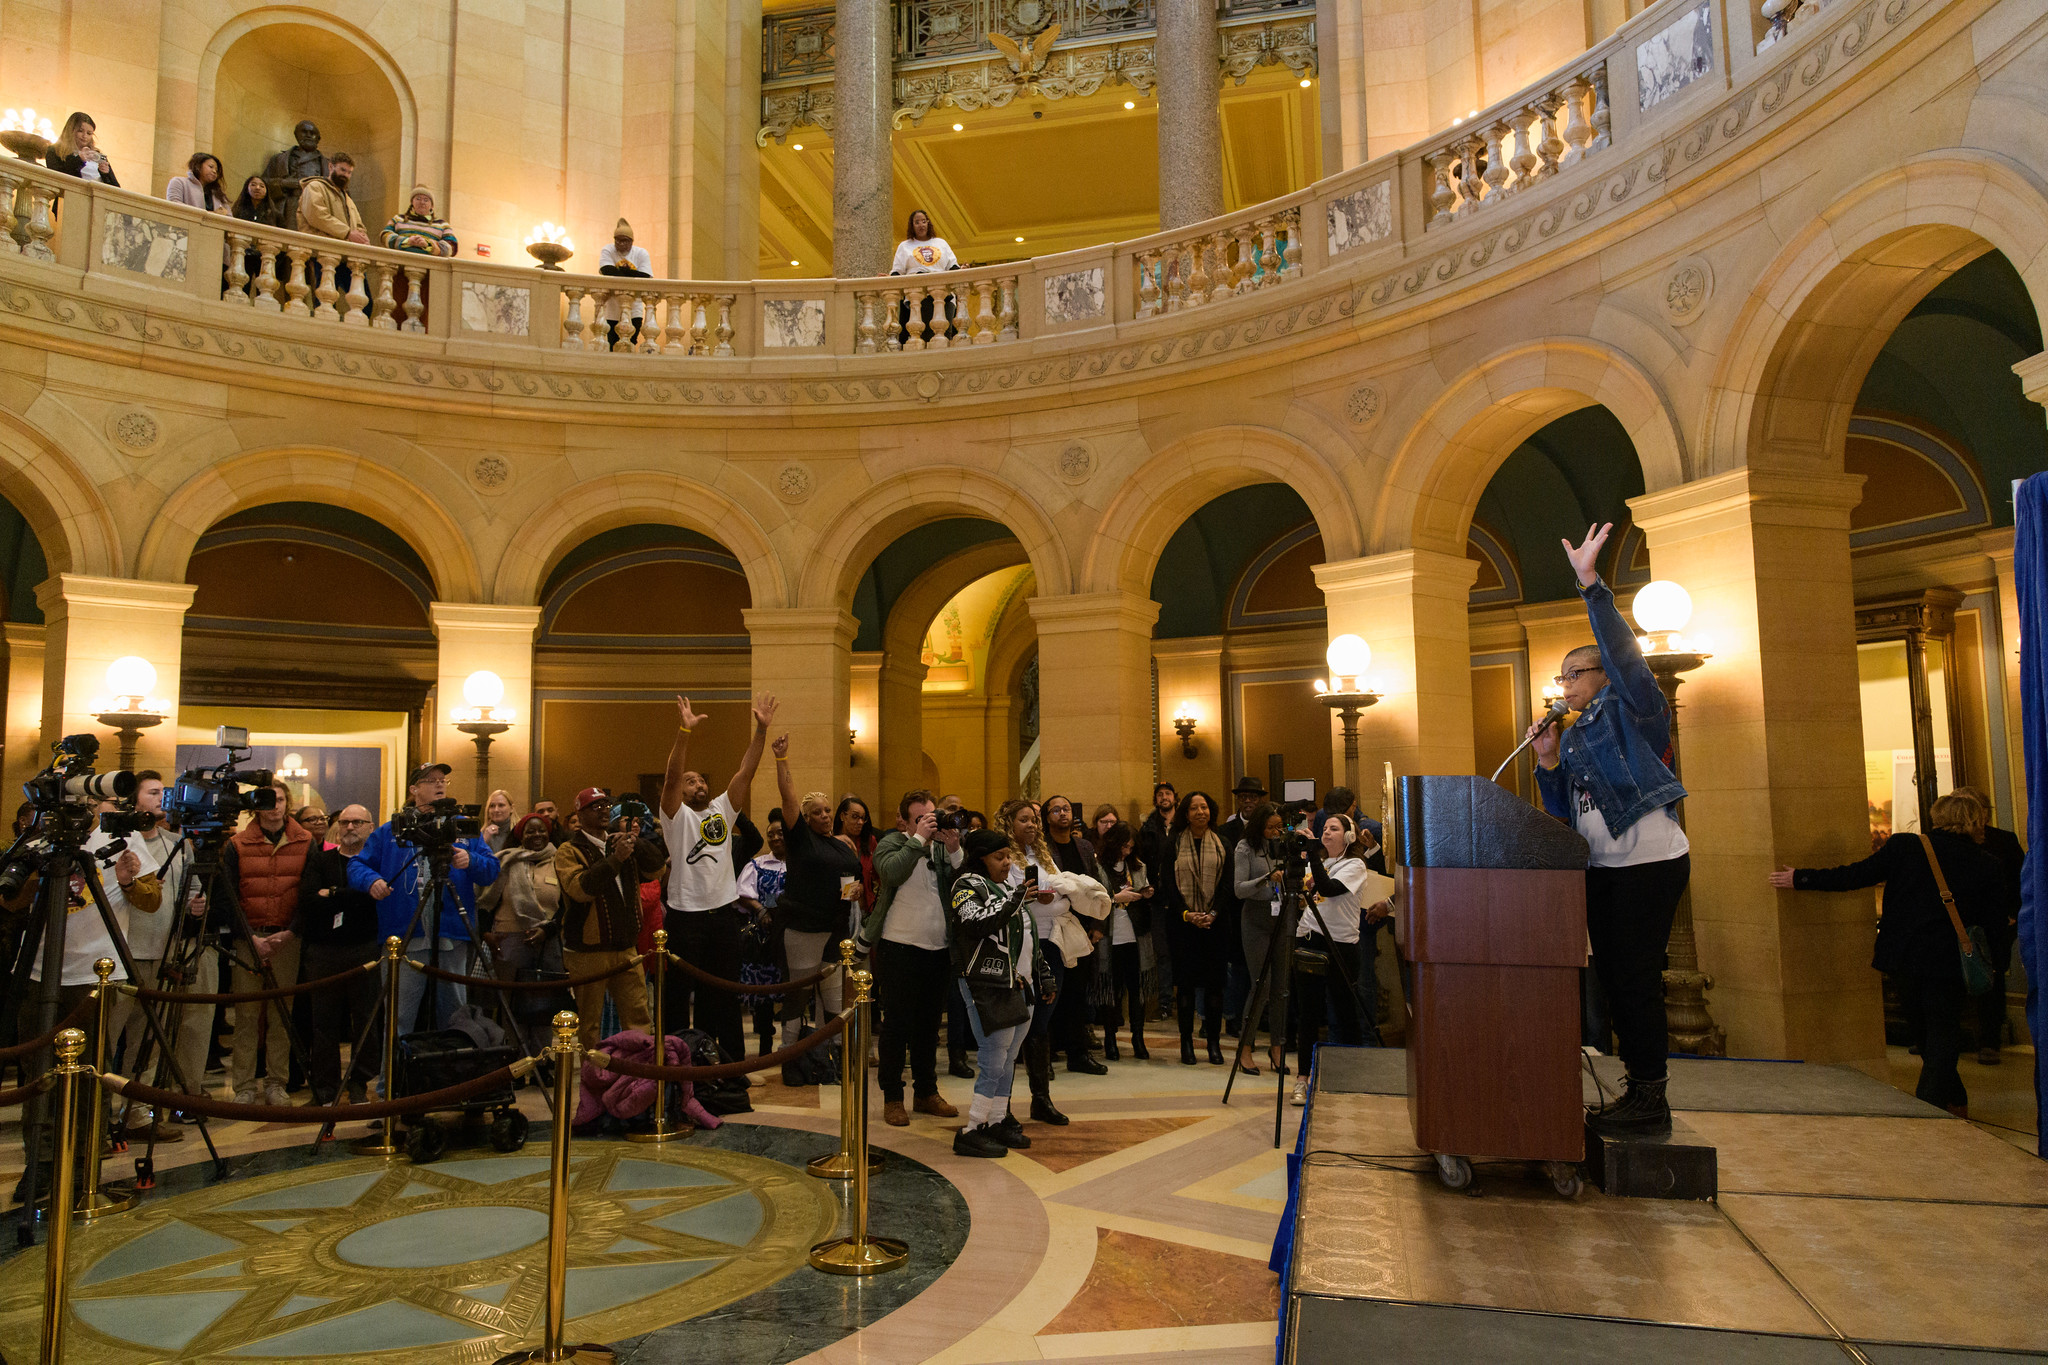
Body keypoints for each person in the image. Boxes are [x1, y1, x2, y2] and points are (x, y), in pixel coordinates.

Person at [1530, 523, 1692, 1138]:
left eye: (1575, 673)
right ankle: (1638, 1088)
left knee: (1636, 980)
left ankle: (1652, 1095)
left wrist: (1591, 583)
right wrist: (1548, 760)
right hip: (1602, 867)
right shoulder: (1573, 742)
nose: (1563, 684)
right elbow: (1565, 820)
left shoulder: (1635, 710)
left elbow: (1625, 655)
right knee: (1618, 985)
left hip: (1649, 862)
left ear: (1604, 676)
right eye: (1561, 676)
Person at [1770, 792, 2002, 1116]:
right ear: (1975, 821)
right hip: (1950, 963)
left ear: (1937, 818)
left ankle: (1930, 1111)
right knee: (1940, 1036)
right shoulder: (1986, 864)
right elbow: (1993, 924)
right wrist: (1997, 968)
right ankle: (1945, 1104)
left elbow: (1856, 875)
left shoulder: (1906, 847)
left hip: (1904, 958)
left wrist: (1802, 878)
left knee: (1927, 1037)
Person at [658, 693, 775, 1066]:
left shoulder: (723, 810)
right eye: (690, 782)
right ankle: (677, 1067)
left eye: (700, 780)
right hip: (685, 915)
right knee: (677, 996)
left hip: (723, 914)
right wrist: (682, 732)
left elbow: (746, 772)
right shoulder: (676, 816)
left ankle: (727, 1066)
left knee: (722, 994)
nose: (696, 784)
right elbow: (672, 775)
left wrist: (761, 730)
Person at [348, 762, 501, 1038]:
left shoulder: (462, 828)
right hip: (405, 938)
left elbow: (492, 870)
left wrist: (472, 860)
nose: (440, 784)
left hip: (451, 938)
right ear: (414, 789)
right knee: (399, 1018)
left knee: (455, 1017)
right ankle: (391, 1081)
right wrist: (372, 881)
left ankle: (451, 1078)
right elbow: (356, 866)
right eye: (431, 780)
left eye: (443, 780)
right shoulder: (391, 831)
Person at [857, 789, 963, 1127]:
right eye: (920, 818)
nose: (928, 823)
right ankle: (892, 1097)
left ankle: (926, 1092)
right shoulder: (892, 842)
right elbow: (889, 873)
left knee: (929, 1028)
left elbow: (965, 883)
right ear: (905, 820)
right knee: (897, 1026)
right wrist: (918, 839)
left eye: (931, 816)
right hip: (899, 947)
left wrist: (955, 850)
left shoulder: (942, 849)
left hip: (938, 949)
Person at [950, 827, 1050, 1158]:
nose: (1008, 862)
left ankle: (995, 1121)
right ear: (980, 859)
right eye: (999, 856)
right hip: (987, 983)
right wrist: (1017, 896)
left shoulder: (1007, 887)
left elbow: (1028, 936)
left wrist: (1043, 974)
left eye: (1009, 855)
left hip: (1020, 983)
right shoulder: (965, 886)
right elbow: (976, 922)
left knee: (1008, 1060)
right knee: (994, 1059)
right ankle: (971, 1128)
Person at [100, 773, 188, 1140]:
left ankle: (138, 1114)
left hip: (159, 950)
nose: (161, 798)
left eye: (164, 792)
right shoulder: (113, 840)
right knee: (107, 1041)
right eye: (153, 793)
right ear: (132, 800)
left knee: (146, 1041)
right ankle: (99, 1119)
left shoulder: (175, 842)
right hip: (121, 955)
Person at [769, 738, 861, 1060]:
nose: (824, 815)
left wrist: (856, 890)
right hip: (804, 928)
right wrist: (782, 758)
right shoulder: (800, 840)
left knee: (835, 996)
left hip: (836, 927)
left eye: (827, 810)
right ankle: (788, 1053)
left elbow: (851, 880)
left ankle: (835, 1053)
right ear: (805, 818)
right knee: (799, 994)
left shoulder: (841, 844)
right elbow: (788, 796)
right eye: (817, 812)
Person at [222, 789, 314, 1105]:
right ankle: (244, 1086)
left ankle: (277, 1083)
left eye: (279, 800)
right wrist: (250, 937)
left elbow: (308, 893)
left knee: (282, 1013)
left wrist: (291, 933)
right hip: (249, 938)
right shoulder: (236, 844)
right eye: (267, 801)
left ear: (287, 804)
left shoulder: (305, 841)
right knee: (246, 1015)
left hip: (287, 938)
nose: (274, 807)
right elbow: (230, 896)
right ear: (255, 808)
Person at [1290, 815, 1388, 1103]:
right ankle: (1302, 1078)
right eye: (1324, 829)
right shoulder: (1320, 863)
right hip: (1309, 936)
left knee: (1345, 1012)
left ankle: (1352, 1075)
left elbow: (1330, 889)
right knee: (1308, 1012)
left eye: (1334, 828)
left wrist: (1313, 858)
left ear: (1348, 836)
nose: (1327, 833)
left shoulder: (1355, 866)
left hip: (1340, 945)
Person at [554, 788, 661, 1050]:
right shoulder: (569, 850)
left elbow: (658, 869)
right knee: (590, 1024)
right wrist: (616, 859)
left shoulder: (619, 842)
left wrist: (638, 842)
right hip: (587, 951)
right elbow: (581, 889)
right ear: (579, 813)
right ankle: (595, 1079)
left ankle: (638, 1075)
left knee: (638, 1016)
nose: (602, 810)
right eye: (594, 806)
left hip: (626, 947)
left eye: (605, 805)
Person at [293, 803, 381, 1105]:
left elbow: (373, 902)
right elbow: (307, 901)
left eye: (357, 822)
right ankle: (325, 1089)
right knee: (323, 1022)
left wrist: (331, 893)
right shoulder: (320, 860)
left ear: (370, 826)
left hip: (365, 947)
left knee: (366, 1020)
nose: (350, 828)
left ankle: (359, 1083)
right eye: (344, 822)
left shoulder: (375, 862)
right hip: (323, 951)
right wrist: (351, 896)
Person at [999, 800, 1072, 1124]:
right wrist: (1037, 898)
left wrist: (1052, 899)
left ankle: (1041, 1100)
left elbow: (1064, 893)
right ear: (1009, 823)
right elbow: (1007, 899)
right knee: (1015, 1026)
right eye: (1024, 819)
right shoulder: (1004, 857)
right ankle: (1004, 1107)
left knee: (1041, 1023)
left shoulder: (1042, 855)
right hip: (1021, 945)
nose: (1032, 825)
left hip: (1050, 944)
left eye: (1034, 820)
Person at [1952, 785, 2024, 1063]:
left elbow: (2020, 880)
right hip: (1962, 921)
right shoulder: (1950, 842)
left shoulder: (2003, 840)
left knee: (1990, 981)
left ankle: (1990, 1040)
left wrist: (2012, 914)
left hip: (1996, 921)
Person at [1040, 794, 1108, 1075]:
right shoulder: (1042, 848)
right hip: (1055, 926)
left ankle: (1078, 1054)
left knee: (1078, 993)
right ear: (1046, 817)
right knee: (1053, 993)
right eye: (1056, 810)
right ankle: (1045, 1055)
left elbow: (1096, 887)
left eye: (1066, 808)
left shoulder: (1084, 845)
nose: (1062, 814)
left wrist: (1097, 925)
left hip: (1082, 928)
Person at [1163, 791, 1230, 1066]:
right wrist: (1187, 914)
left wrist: (1213, 913)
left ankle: (1213, 1043)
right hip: (1184, 926)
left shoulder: (1223, 842)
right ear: (1186, 814)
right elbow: (1167, 883)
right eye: (1194, 808)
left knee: (1215, 988)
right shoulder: (1174, 844)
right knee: (1187, 988)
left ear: (1211, 811)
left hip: (1215, 925)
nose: (1200, 812)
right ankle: (1186, 1043)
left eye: (1204, 807)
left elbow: (1228, 885)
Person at [1233, 800, 1292, 1077]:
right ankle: (1245, 1047)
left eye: (1278, 827)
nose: (1275, 832)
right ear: (1259, 826)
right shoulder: (1245, 848)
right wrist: (1267, 878)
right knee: (1262, 986)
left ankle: (1277, 1047)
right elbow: (1239, 889)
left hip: (1282, 917)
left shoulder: (1283, 845)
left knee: (1281, 987)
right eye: (1270, 827)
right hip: (1255, 918)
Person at [1093, 822, 1151, 1061]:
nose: (1127, 851)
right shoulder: (1097, 867)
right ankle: (1110, 1039)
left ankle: (1138, 1037)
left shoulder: (1138, 867)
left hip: (1135, 936)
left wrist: (1145, 892)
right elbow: (1094, 898)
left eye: (1130, 847)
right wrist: (1117, 897)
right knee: (1111, 991)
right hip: (1109, 936)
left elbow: (1140, 891)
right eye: (1123, 846)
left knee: (1137, 990)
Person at [736, 813, 788, 1055]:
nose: (776, 838)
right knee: (764, 997)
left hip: (790, 936)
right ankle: (765, 1048)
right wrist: (761, 910)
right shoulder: (757, 864)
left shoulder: (800, 863)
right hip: (763, 937)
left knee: (792, 992)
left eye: (780, 833)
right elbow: (742, 893)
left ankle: (791, 1045)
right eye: (771, 835)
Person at [489, 813, 558, 979]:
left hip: (548, 939)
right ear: (521, 836)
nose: (537, 834)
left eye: (541, 830)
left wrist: (547, 930)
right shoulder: (505, 861)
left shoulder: (559, 860)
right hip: (509, 939)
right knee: (508, 996)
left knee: (547, 997)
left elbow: (566, 906)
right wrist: (485, 933)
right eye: (530, 831)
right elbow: (487, 900)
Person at [380, 186, 455, 327]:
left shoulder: (442, 224)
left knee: (424, 315)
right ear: (412, 202)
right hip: (400, 274)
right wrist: (407, 241)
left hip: (428, 278)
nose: (422, 202)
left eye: (426, 200)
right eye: (418, 198)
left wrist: (429, 245)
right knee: (397, 309)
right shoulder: (399, 219)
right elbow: (385, 235)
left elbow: (453, 245)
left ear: (431, 205)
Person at [890, 208, 959, 342]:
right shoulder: (905, 246)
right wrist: (890, 278)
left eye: (923, 221)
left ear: (928, 223)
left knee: (945, 333)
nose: (921, 225)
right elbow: (897, 271)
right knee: (926, 334)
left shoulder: (941, 243)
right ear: (912, 225)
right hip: (919, 296)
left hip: (944, 294)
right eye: (917, 222)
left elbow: (953, 266)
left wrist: (962, 270)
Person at [262, 119, 331, 233]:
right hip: (288, 206)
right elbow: (263, 183)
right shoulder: (279, 159)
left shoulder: (328, 166)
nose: (308, 135)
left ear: (318, 138)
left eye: (312, 133)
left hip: (315, 208)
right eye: (304, 132)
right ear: (296, 134)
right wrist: (284, 183)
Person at [599, 219, 653, 348]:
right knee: (612, 342)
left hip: (634, 308)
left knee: (631, 343)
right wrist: (630, 273)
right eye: (617, 240)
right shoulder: (608, 250)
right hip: (612, 308)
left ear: (631, 241)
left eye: (624, 240)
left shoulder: (641, 253)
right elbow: (606, 270)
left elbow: (645, 277)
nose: (620, 244)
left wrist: (619, 271)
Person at [45, 112, 117, 184]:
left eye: (89, 133)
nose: (84, 136)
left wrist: (105, 174)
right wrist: (79, 160)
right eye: (80, 131)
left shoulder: (97, 155)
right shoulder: (54, 151)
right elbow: (56, 177)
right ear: (71, 130)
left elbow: (116, 188)